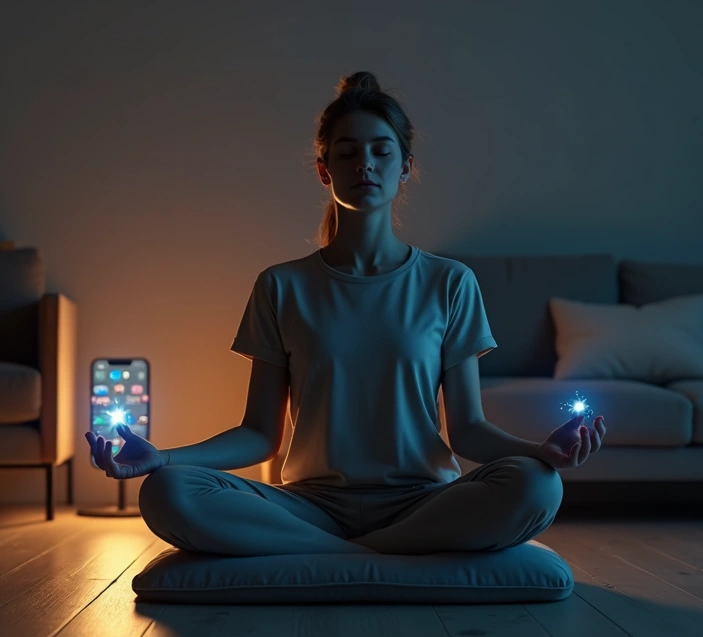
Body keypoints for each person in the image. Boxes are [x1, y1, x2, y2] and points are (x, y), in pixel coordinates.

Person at [85, 71, 607, 557]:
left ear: (404, 167)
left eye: (382, 152)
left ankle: (347, 556)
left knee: (537, 485)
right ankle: (376, 556)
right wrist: (164, 458)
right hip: (311, 505)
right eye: (347, 152)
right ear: (323, 169)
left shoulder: (449, 282)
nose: (365, 166)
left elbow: (467, 430)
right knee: (168, 490)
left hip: (423, 500)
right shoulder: (281, 285)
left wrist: (542, 453)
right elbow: (259, 433)